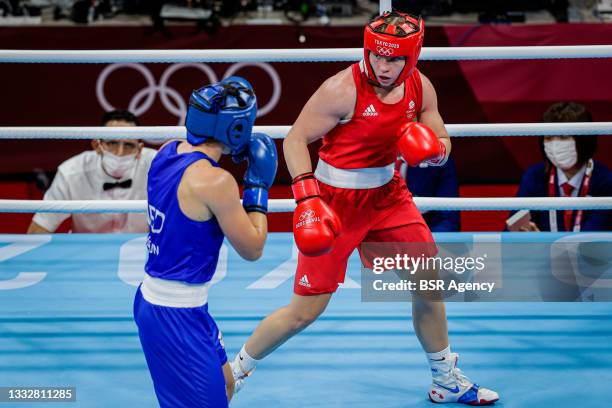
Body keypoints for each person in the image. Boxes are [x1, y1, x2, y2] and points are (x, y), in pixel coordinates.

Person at [230, 11, 499, 405]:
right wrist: (307, 197)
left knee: (428, 282)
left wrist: (437, 153)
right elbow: (295, 139)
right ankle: (233, 373)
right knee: (305, 310)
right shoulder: (341, 89)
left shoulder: (420, 88)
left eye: (393, 59)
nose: (382, 65)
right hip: (333, 200)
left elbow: (440, 133)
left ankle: (445, 378)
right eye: (376, 55)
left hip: (388, 197)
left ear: (412, 56)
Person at [133, 77, 277, 408]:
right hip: (175, 314)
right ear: (236, 128)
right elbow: (253, 248)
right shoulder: (215, 181)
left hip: (164, 302)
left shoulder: (167, 151)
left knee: (226, 386)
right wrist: (258, 187)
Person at [27, 110, 155, 233]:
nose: (119, 153)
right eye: (112, 143)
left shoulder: (158, 168)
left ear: (139, 149)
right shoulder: (71, 172)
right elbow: (38, 230)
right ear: (97, 146)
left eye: (128, 145)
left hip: (140, 250)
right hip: (85, 251)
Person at [513, 102, 612, 232]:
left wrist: (543, 242)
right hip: (540, 252)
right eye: (548, 138)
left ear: (584, 139)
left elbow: (593, 241)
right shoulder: (534, 176)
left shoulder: (605, 181)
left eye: (563, 137)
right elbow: (512, 227)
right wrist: (523, 235)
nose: (555, 145)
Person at [397, 155, 460, 232]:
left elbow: (448, 218)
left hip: (425, 233)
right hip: (383, 232)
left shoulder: (437, 158)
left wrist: (430, 241)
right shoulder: (379, 158)